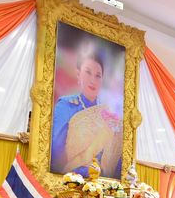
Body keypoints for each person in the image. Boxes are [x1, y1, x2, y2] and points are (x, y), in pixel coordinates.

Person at [51, 48, 122, 178]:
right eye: (88, 72)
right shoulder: (66, 105)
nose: (93, 80)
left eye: (98, 75)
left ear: (102, 79)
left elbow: (117, 158)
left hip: (104, 183)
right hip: (71, 180)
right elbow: (55, 152)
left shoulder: (109, 114)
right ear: (78, 74)